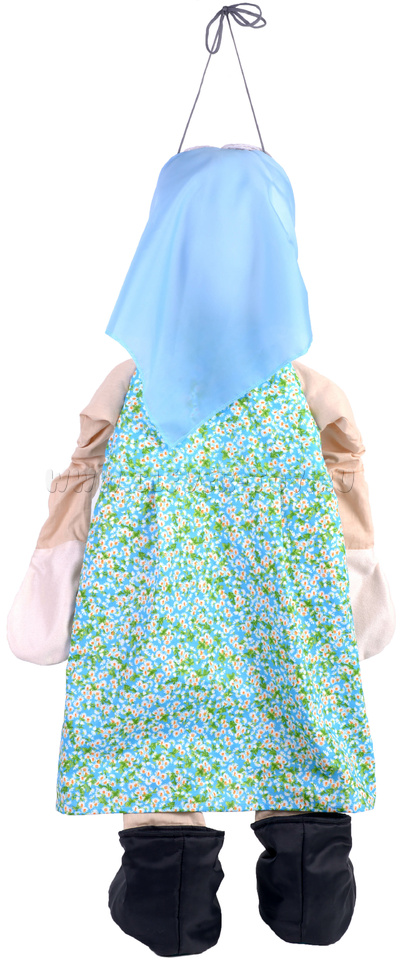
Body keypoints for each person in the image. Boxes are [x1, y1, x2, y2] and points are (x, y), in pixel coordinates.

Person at [6, 6, 396, 955]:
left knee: (157, 723)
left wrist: (52, 577)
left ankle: (168, 890)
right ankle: (309, 875)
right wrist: (360, 594)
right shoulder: (307, 389)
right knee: (296, 709)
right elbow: (347, 489)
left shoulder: (128, 384)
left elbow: (78, 488)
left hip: (154, 618)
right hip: (282, 607)